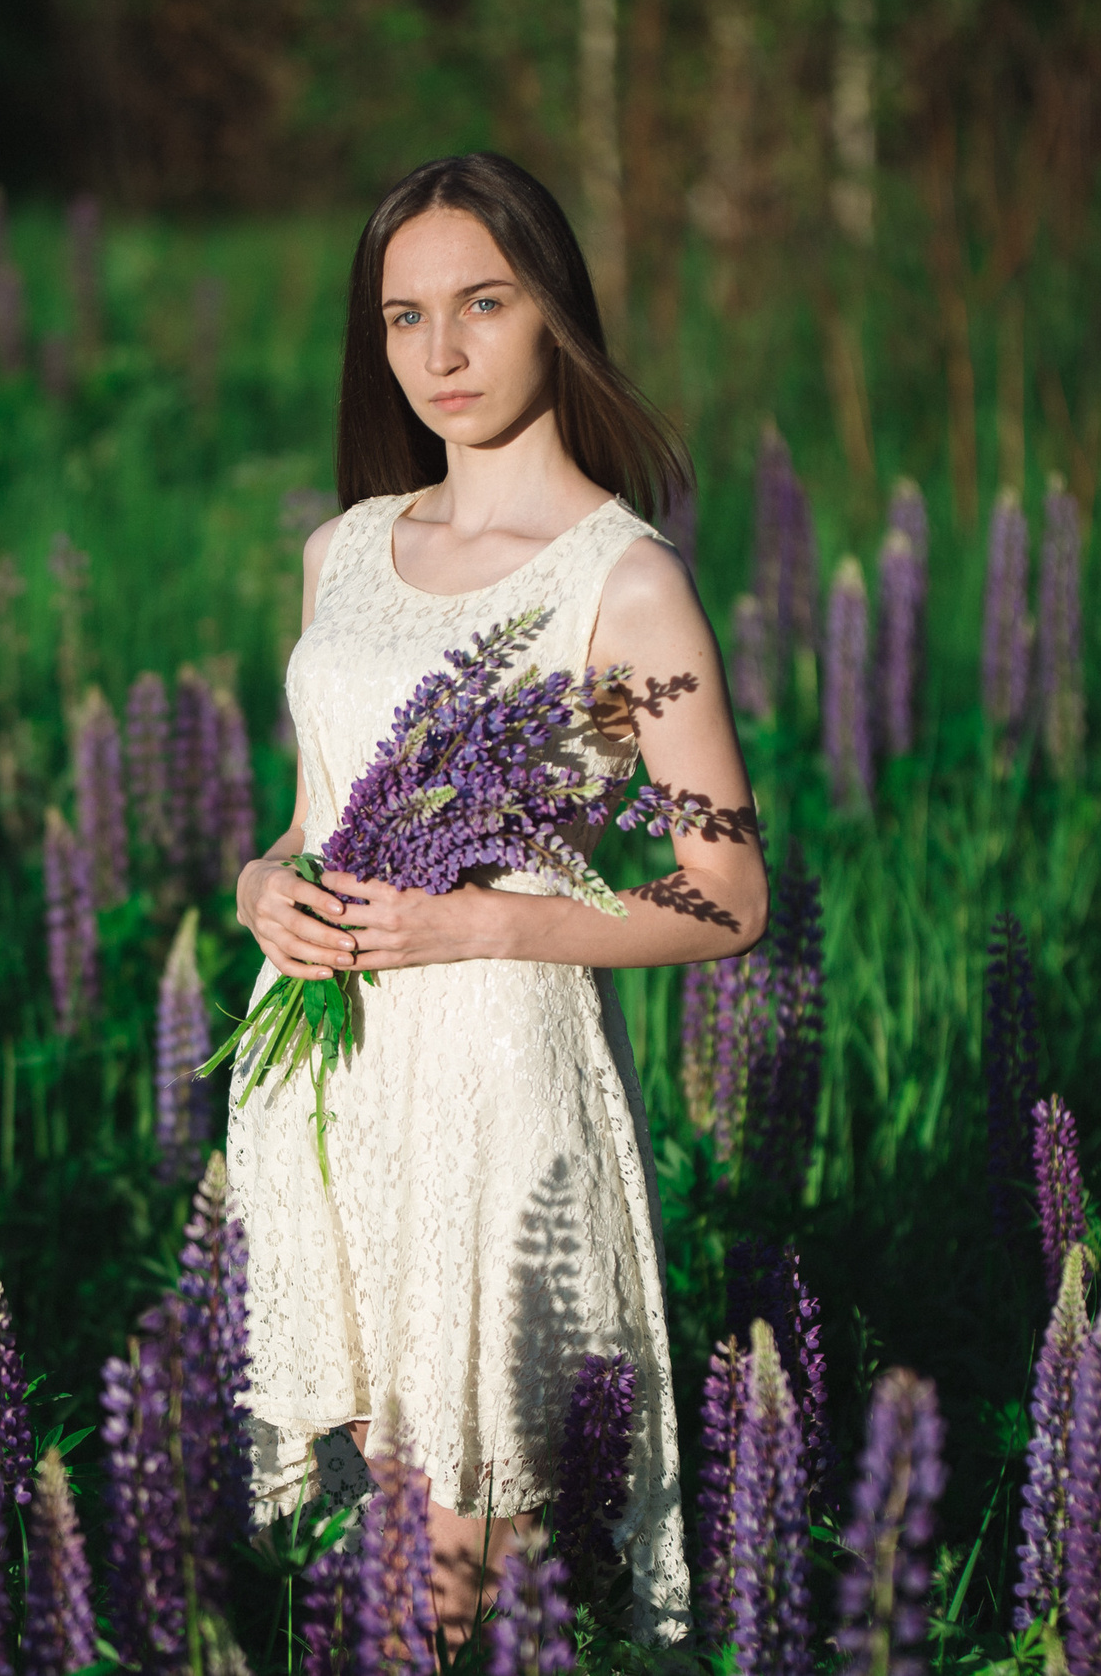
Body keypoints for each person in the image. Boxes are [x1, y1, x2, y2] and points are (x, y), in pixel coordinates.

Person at [229, 151, 768, 1646]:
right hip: (334, 1084)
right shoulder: (342, 552)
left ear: (556, 314)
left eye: (483, 303)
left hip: (494, 1085)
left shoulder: (627, 583)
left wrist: (488, 921)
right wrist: (260, 887)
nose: (442, 353)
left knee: (457, 1592)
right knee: (383, 1563)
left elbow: (729, 894)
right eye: (405, 317)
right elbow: (305, 818)